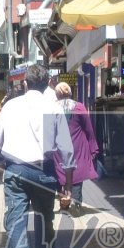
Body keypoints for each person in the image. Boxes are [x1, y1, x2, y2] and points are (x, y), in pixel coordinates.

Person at [0, 64, 74, 248]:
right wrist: (67, 185)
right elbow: (66, 149)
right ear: (48, 85)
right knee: (45, 220)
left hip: (16, 170)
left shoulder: (11, 106)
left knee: (16, 223)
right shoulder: (53, 108)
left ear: (25, 83)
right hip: (45, 171)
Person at [52, 82, 98, 213]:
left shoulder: (52, 108)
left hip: (59, 148)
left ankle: (64, 203)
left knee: (60, 173)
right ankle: (76, 204)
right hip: (77, 146)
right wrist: (93, 147)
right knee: (76, 174)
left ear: (57, 94)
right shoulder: (79, 107)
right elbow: (88, 128)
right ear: (70, 93)